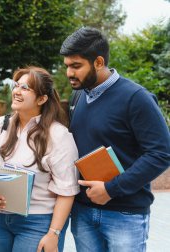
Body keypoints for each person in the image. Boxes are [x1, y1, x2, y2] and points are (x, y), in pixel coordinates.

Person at [60, 27, 170, 252]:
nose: (69, 73)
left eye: (76, 66)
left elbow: (161, 153)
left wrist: (112, 188)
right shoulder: (77, 97)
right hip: (83, 212)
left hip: (125, 214)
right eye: (67, 66)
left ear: (98, 62)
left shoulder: (136, 98)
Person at [0, 66, 80, 252]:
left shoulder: (59, 136)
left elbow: (67, 191)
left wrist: (53, 234)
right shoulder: (2, 124)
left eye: (25, 88)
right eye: (16, 85)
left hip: (36, 223)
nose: (16, 91)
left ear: (42, 99)